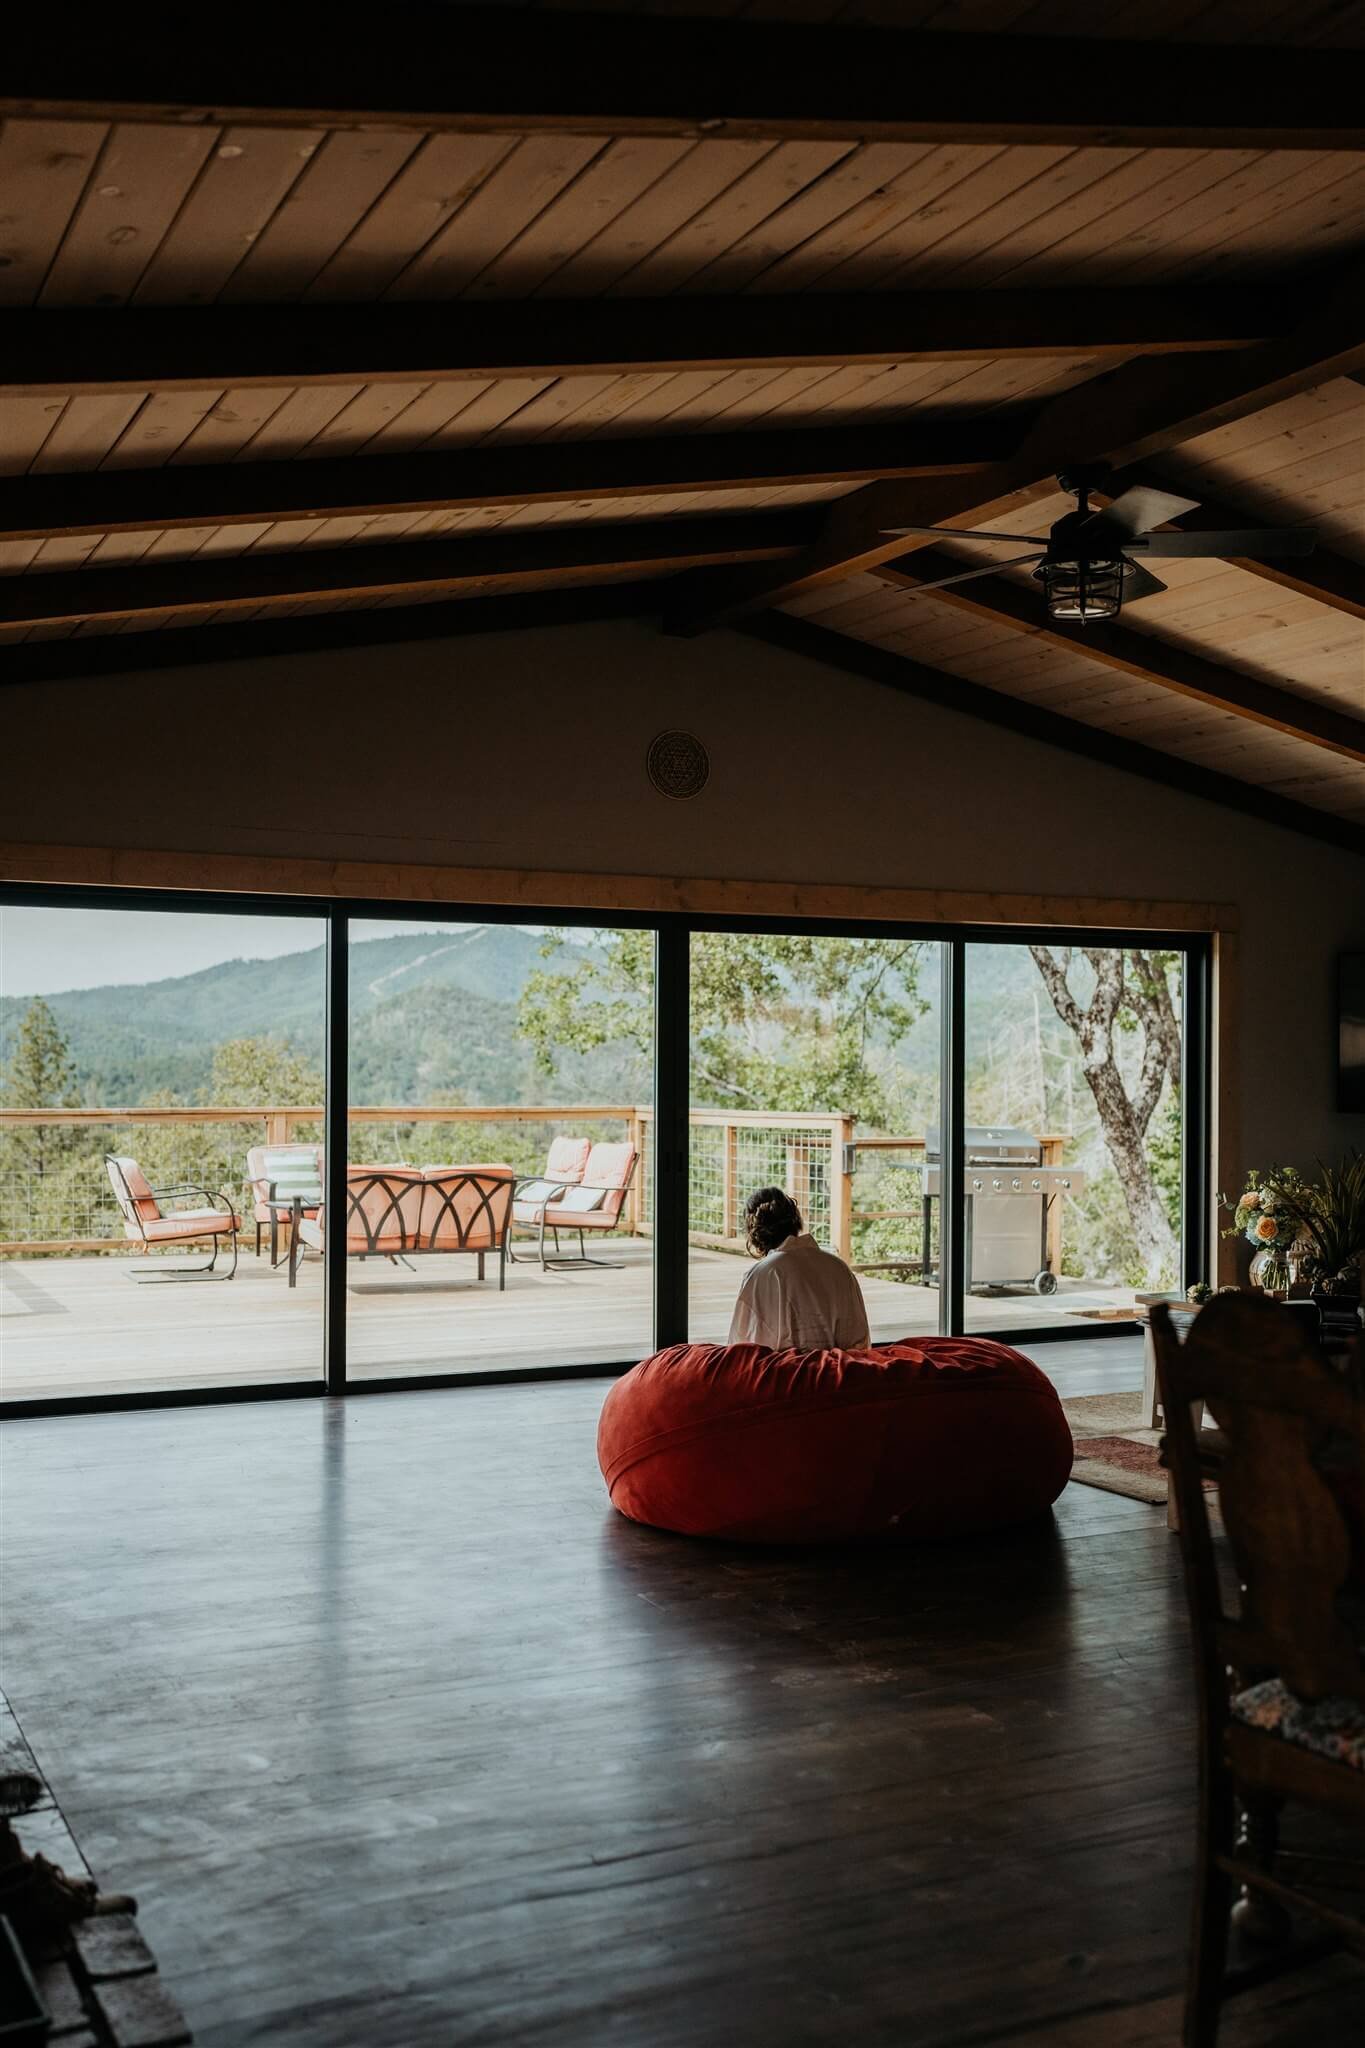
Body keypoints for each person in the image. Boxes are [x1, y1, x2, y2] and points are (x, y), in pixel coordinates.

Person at [727, 1186, 870, 1352]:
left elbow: (740, 1351)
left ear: (754, 1232)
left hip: (785, 1375)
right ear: (795, 1222)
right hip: (835, 1375)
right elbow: (860, 1344)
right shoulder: (839, 1268)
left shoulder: (761, 1275)